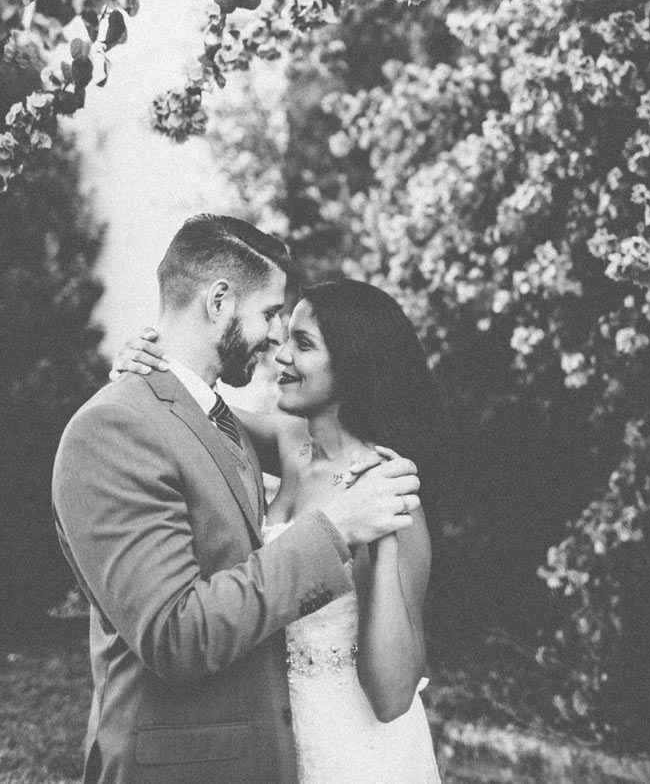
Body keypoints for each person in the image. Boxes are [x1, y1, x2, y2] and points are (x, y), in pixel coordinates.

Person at [52, 216, 422, 784]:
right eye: (274, 315)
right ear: (220, 301)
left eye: (299, 336)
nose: (277, 343)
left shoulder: (228, 421)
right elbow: (177, 635)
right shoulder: (120, 429)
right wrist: (335, 528)